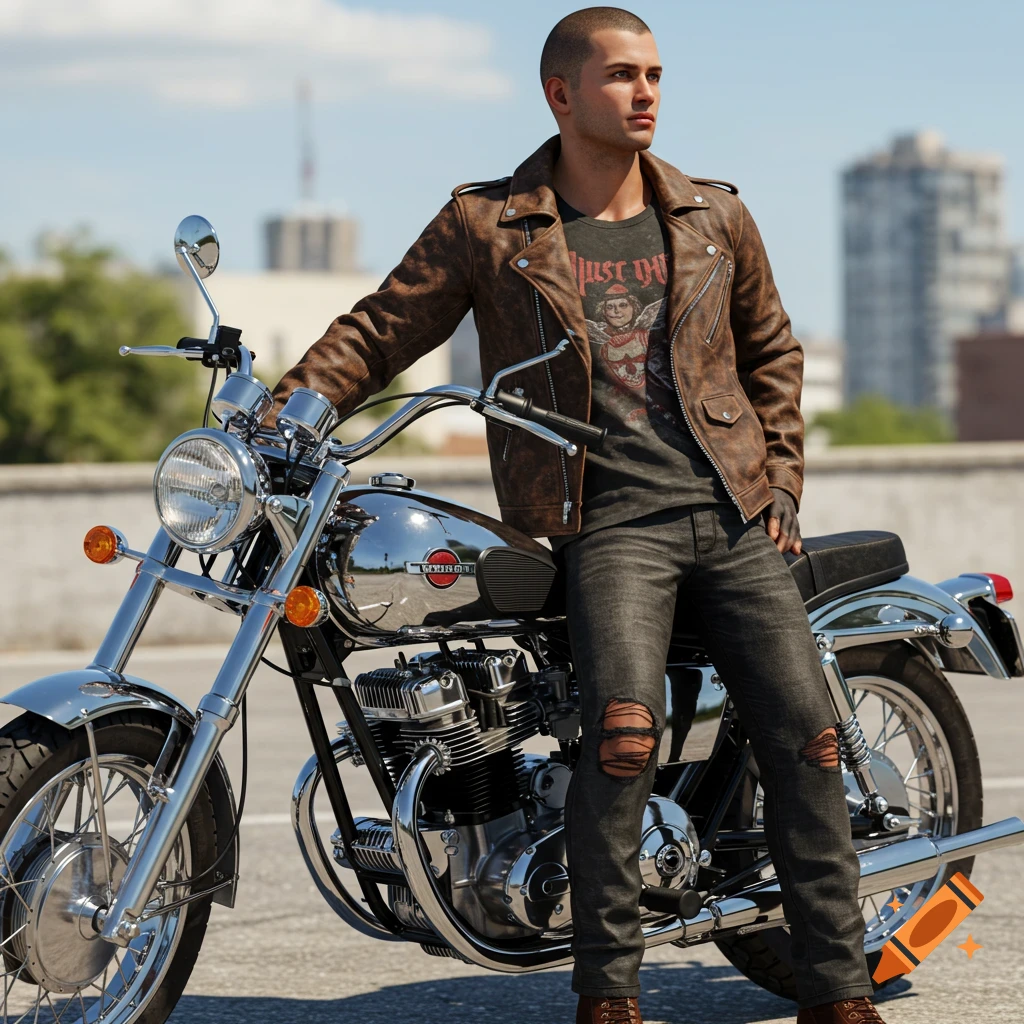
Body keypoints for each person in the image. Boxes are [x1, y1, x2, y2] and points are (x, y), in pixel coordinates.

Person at [268, 8, 889, 1023]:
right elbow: (383, 326)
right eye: (619, 76)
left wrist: (778, 480)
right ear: (561, 94)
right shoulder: (488, 222)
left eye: (653, 74)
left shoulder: (712, 214)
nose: (644, 92)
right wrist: (292, 406)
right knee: (618, 737)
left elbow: (773, 351)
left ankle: (837, 987)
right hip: (609, 523)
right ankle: (608, 994)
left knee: (810, 736)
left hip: (729, 514)